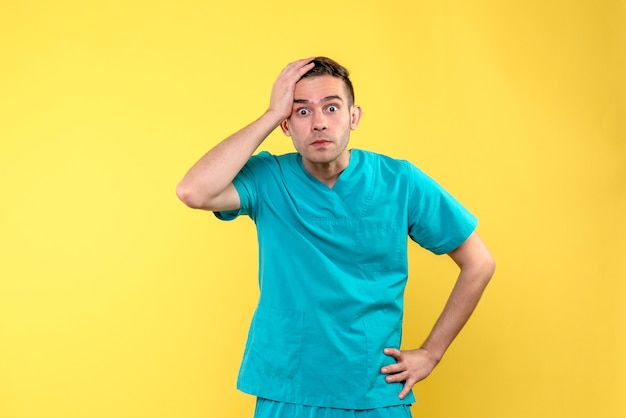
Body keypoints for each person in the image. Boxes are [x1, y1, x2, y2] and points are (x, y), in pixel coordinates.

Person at [176, 56, 495, 418]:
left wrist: (431, 352)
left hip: (374, 391)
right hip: (288, 390)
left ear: (354, 117)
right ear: (286, 125)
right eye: (301, 112)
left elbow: (479, 263)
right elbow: (193, 191)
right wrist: (268, 114)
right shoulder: (268, 179)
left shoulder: (399, 181)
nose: (319, 123)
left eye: (331, 107)